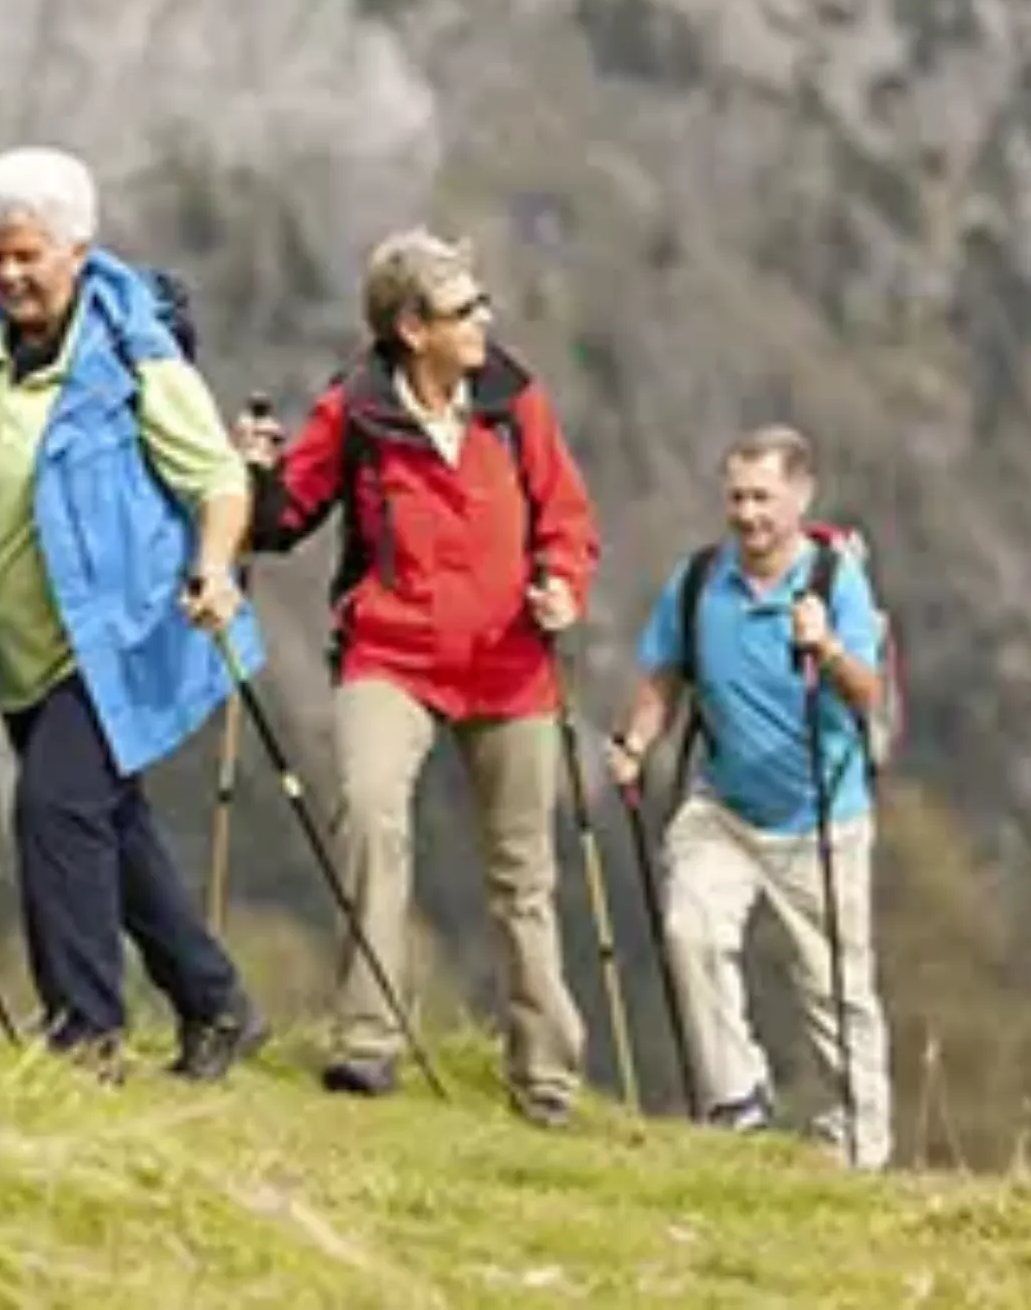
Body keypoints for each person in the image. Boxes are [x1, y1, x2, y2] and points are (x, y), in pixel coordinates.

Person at [0, 146, 269, 1081]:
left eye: (27, 255)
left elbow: (217, 477)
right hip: (19, 643)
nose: (8, 274)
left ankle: (85, 1037)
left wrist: (213, 568)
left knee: (54, 809)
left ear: (77, 251)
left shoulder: (132, 353)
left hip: (120, 632)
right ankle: (217, 1002)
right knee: (110, 823)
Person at [234, 228, 600, 1126]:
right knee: (369, 813)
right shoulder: (356, 412)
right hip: (390, 656)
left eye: (480, 303)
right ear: (411, 328)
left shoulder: (514, 403)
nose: (484, 320)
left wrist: (562, 584)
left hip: (511, 663)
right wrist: (254, 473)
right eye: (463, 309)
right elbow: (284, 520)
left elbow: (566, 516)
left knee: (523, 874)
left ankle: (546, 1077)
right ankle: (367, 1044)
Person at [606, 424, 893, 1170]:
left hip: (822, 817)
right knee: (689, 929)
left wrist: (828, 647)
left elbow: (869, 694)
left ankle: (860, 1142)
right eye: (737, 497)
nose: (748, 514)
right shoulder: (700, 580)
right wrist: (637, 743)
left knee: (836, 989)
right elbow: (663, 676)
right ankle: (735, 1099)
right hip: (724, 806)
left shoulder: (835, 581)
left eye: (763, 497)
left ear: (801, 496)